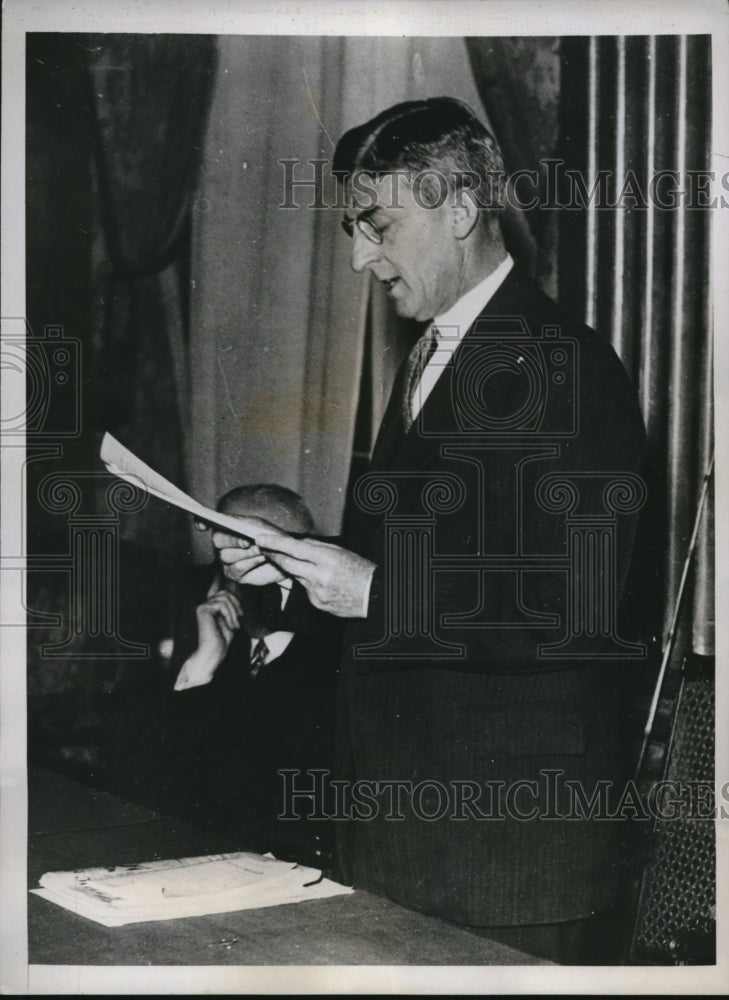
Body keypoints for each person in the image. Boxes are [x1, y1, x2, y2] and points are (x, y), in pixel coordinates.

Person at [211, 98, 646, 963]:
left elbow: (582, 608)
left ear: (457, 209)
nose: (360, 257)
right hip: (406, 838)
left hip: (508, 853)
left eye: (377, 225)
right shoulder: (432, 352)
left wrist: (370, 589)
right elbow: (419, 568)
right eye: (350, 227)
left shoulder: (564, 364)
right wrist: (292, 573)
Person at [169, 483, 340, 868]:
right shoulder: (212, 637)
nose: (240, 574)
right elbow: (165, 782)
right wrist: (203, 665)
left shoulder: (338, 652)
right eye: (227, 557)